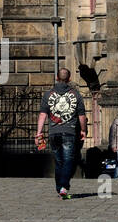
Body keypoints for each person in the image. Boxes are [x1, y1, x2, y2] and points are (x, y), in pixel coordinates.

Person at [35, 68, 89, 199]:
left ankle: (60, 188)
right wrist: (83, 130)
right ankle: (64, 186)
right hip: (69, 132)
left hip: (54, 133)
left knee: (59, 161)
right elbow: (81, 115)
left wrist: (39, 133)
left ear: (57, 78)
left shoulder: (48, 94)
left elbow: (42, 115)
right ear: (69, 79)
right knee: (69, 160)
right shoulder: (76, 94)